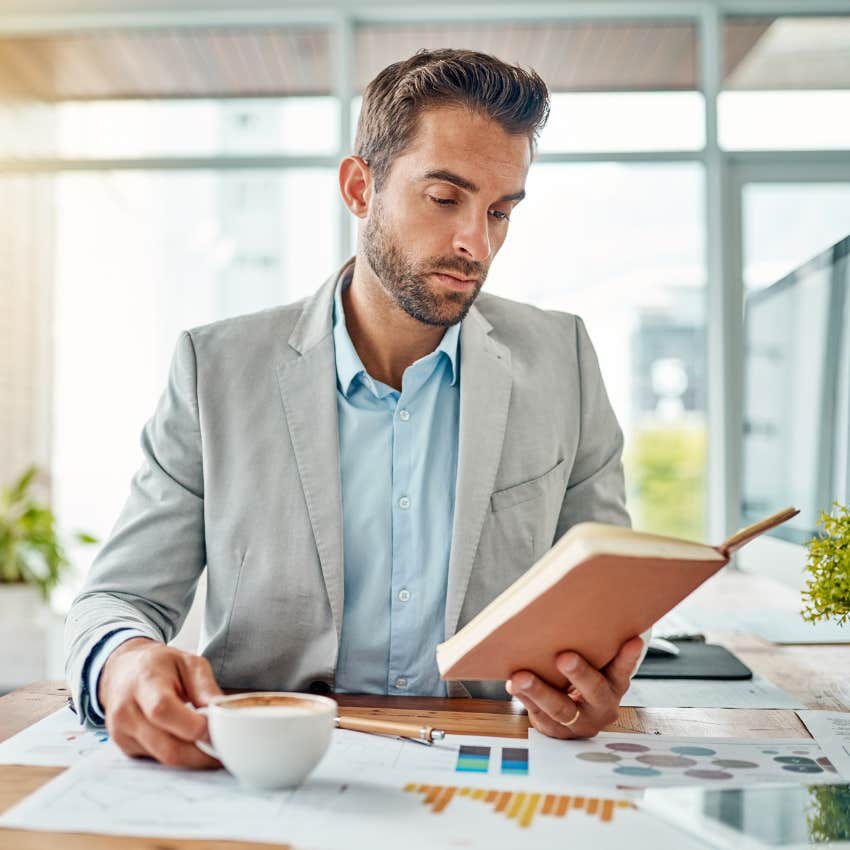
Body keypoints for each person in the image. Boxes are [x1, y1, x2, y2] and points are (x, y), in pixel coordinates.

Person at [65, 49, 646, 769]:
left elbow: (605, 595)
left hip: (490, 768)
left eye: (500, 211)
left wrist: (600, 678)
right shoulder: (213, 370)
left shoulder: (564, 361)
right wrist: (123, 661)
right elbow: (116, 598)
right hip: (268, 767)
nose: (477, 242)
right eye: (445, 199)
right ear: (359, 187)